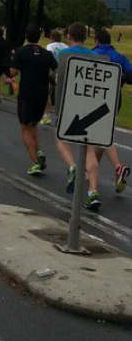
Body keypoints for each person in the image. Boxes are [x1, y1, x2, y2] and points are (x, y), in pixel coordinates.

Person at [53, 22, 103, 209]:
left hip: (68, 104)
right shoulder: (96, 56)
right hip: (90, 107)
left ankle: (73, 166)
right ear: (86, 37)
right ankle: (93, 192)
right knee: (89, 149)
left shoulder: (63, 55)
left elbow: (58, 77)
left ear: (69, 37)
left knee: (60, 138)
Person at [10, 24, 58, 176]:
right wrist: (49, 76)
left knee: (25, 127)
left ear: (26, 36)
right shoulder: (47, 54)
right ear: (39, 37)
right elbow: (57, 71)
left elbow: (13, 71)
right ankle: (39, 152)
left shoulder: (21, 51)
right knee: (33, 125)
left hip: (27, 93)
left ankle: (36, 162)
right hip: (42, 94)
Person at [90, 28, 132, 194]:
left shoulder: (92, 54)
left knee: (99, 136)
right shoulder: (119, 57)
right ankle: (91, 169)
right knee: (102, 133)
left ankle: (117, 166)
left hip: (95, 97)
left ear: (97, 41)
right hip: (115, 98)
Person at [41, 30, 68, 123]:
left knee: (47, 93)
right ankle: (61, 116)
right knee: (61, 94)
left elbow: (48, 56)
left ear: (51, 38)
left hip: (53, 71)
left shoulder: (50, 46)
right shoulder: (65, 46)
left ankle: (47, 116)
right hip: (64, 71)